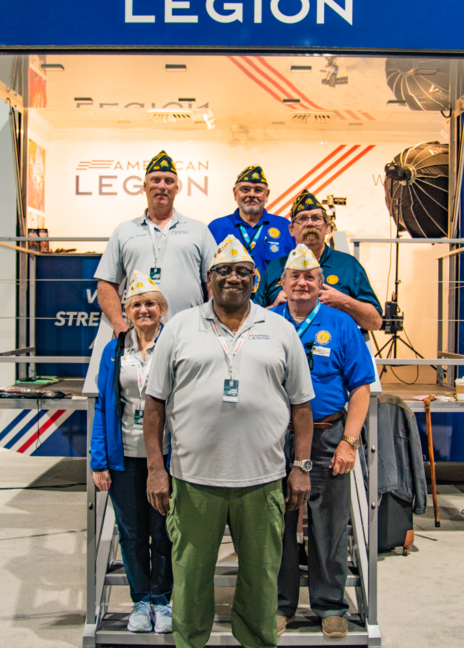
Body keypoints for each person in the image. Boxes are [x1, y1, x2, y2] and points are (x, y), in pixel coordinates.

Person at [142, 236, 316, 648]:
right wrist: (155, 469)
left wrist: (301, 467)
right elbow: (154, 406)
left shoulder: (280, 329)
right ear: (209, 280)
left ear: (255, 280)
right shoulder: (180, 327)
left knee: (260, 579)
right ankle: (189, 642)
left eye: (241, 272)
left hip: (262, 481)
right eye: (223, 271)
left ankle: (256, 641)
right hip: (194, 479)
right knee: (190, 579)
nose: (232, 278)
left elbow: (302, 409)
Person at [271, 245, 375, 639]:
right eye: (294, 276)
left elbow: (361, 387)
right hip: (273, 439)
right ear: (282, 283)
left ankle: (330, 605)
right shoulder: (266, 322)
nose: (301, 283)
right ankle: (279, 604)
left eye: (309, 276)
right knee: (274, 524)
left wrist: (349, 441)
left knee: (329, 524)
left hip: (328, 436)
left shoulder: (342, 324)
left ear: (321, 283)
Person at [89, 271, 173, 633]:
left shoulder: (174, 344)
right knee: (132, 533)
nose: (143, 309)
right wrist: (99, 460)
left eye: (150, 303)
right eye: (136, 304)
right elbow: (103, 406)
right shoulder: (113, 350)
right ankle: (140, 601)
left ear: (162, 308)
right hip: (125, 457)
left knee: (165, 531)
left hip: (167, 457)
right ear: (126, 309)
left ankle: (163, 600)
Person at [95, 150, 218, 334]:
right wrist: (119, 325)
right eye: (156, 180)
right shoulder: (124, 231)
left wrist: (213, 322)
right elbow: (106, 284)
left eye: (169, 181)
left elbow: (214, 282)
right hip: (140, 334)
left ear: (176, 188)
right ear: (144, 186)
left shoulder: (198, 230)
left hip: (191, 331)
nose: (162, 186)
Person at [255, 190, 383, 331]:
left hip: (335, 349)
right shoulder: (275, 268)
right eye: (302, 219)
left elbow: (375, 322)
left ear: (327, 227)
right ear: (291, 230)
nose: (310, 223)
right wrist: (273, 308)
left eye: (316, 218)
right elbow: (252, 320)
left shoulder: (349, 266)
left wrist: (343, 301)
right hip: (283, 349)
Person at [207, 164, 295, 285]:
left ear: (267, 194)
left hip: (274, 302)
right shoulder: (216, 228)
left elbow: (296, 270)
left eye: (258, 190)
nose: (252, 194)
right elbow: (207, 273)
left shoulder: (285, 227)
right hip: (230, 301)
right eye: (245, 189)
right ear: (234, 193)